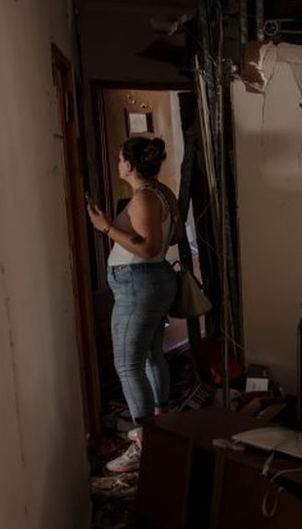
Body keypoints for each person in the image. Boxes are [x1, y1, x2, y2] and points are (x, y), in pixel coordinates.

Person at [87, 136, 183, 473]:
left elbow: (148, 246)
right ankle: (161, 424)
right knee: (153, 355)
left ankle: (144, 442)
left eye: (119, 159)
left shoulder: (143, 197)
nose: (117, 164)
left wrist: (106, 227)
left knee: (127, 364)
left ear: (129, 165)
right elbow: (174, 237)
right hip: (153, 280)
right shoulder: (164, 193)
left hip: (138, 282)